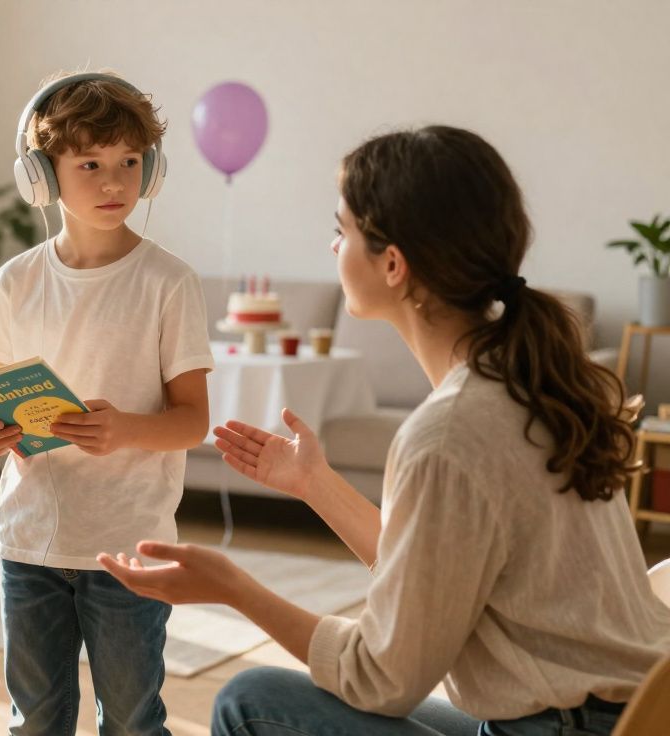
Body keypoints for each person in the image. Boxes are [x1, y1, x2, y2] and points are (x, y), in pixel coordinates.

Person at [99, 125, 670, 736]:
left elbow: (381, 679)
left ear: (393, 264)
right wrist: (315, 483)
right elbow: (431, 579)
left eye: (342, 231)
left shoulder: (450, 432)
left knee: (251, 700)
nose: (332, 246)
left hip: (564, 728)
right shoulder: (535, 386)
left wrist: (233, 588)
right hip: (630, 713)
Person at [0, 72, 213, 734]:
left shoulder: (169, 283)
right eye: (90, 165)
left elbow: (193, 421)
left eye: (129, 162)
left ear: (151, 169)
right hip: (29, 540)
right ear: (42, 177)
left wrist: (126, 429)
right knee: (35, 722)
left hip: (129, 544)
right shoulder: (15, 281)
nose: (113, 182)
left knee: (131, 721)